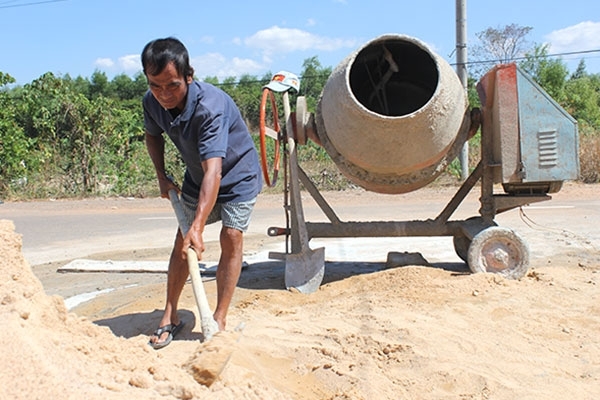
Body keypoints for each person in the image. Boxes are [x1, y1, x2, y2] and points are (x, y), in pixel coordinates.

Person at [141, 37, 262, 349]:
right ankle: (171, 314)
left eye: (173, 85)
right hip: (198, 176)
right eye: (156, 85)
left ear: (189, 76)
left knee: (231, 237)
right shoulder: (152, 101)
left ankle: (218, 318)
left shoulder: (210, 107)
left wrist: (198, 226)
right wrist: (161, 176)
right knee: (183, 244)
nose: (164, 94)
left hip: (237, 175)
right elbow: (152, 135)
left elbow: (215, 171)